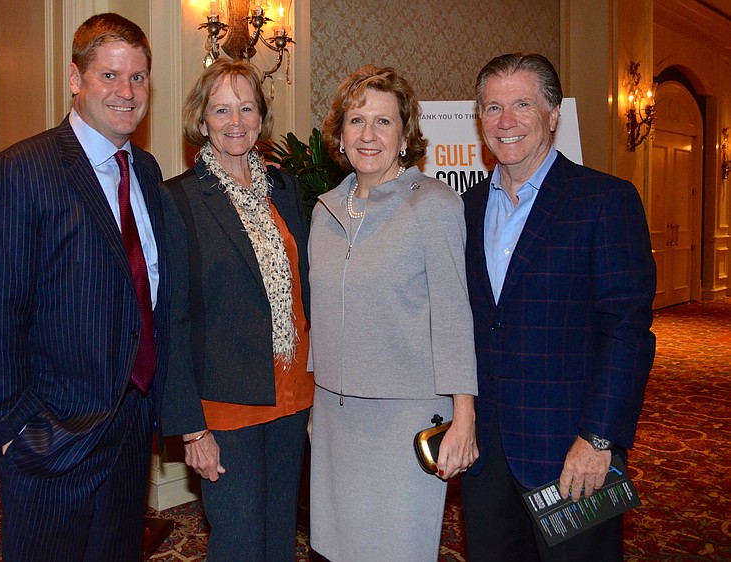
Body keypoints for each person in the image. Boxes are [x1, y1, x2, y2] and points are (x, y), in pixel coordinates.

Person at [0, 13, 198, 562]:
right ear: (74, 78)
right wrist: (14, 430)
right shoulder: (19, 172)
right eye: (109, 75)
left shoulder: (146, 170)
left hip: (131, 424)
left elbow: (149, 290)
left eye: (138, 77)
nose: (126, 92)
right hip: (51, 435)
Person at [460, 53, 656, 562]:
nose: (506, 121)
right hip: (486, 455)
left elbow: (628, 331)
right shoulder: (465, 208)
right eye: (493, 107)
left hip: (572, 453)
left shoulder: (604, 200)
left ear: (553, 115)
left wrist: (599, 438)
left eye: (522, 105)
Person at [308, 65, 479, 562]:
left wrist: (464, 416)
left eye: (383, 122)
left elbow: (454, 315)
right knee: (338, 548)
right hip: (336, 415)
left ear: (405, 137)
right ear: (340, 135)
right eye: (356, 120)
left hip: (405, 416)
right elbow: (322, 315)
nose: (368, 134)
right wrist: (318, 399)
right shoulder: (325, 211)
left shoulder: (434, 205)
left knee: (396, 549)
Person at [159, 59, 312, 562]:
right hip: (225, 409)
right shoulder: (179, 199)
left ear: (261, 117)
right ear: (201, 120)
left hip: (292, 396)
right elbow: (172, 322)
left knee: (279, 536)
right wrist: (192, 429)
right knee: (239, 542)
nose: (235, 121)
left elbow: (304, 291)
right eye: (221, 109)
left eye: (246, 108)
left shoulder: (285, 188)